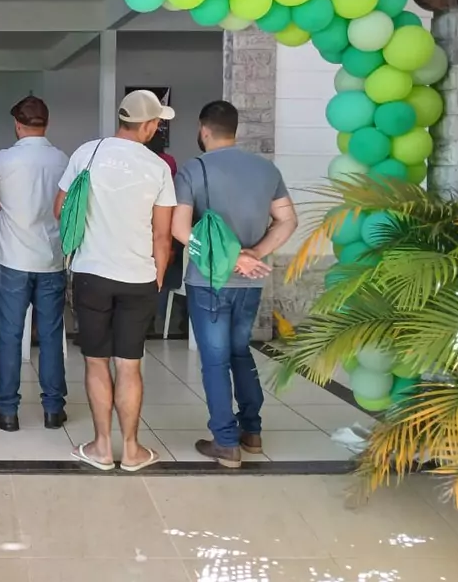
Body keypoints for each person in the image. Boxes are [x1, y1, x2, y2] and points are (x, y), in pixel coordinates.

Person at [172, 100, 298, 468]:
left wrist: (229, 258)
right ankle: (252, 431)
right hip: (249, 282)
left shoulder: (193, 169)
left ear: (203, 129)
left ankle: (226, 442)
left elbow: (180, 230)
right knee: (240, 351)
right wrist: (254, 253)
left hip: (208, 281)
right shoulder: (266, 169)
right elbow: (288, 220)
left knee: (215, 360)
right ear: (235, 129)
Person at [56, 90, 176, 471]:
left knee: (96, 362)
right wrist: (157, 279)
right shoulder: (158, 167)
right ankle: (133, 450)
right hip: (138, 279)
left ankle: (102, 448)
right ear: (149, 126)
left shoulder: (87, 153)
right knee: (129, 365)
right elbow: (162, 236)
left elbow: (61, 208)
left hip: (92, 274)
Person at [0, 96, 69, 432]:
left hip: (12, 260)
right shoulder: (62, 159)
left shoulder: (4, 158)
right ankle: (53, 410)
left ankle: (7, 411)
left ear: (17, 125)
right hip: (51, 259)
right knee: (50, 335)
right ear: (47, 123)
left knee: (9, 337)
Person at [147, 136, 184, 334]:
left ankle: (148, 319)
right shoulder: (167, 162)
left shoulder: (143, 161)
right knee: (162, 272)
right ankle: (157, 317)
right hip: (166, 220)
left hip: (144, 221)